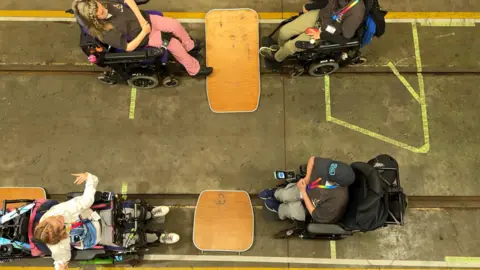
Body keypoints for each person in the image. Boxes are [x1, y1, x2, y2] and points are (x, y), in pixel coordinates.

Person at [33, 172, 179, 270]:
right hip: (98, 238)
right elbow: (61, 259)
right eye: (60, 224)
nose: (60, 218)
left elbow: (86, 200)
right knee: (132, 240)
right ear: (61, 236)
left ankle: (150, 214)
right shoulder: (58, 245)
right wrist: (61, 266)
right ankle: (158, 237)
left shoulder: (59, 212)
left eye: (56, 219)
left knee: (132, 211)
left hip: (96, 216)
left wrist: (89, 178)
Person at [72, 0, 213, 77]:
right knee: (174, 43)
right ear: (95, 19)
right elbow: (129, 47)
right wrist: (144, 31)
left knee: (174, 24)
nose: (105, 10)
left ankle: (189, 46)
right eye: (101, 13)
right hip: (145, 37)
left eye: (100, 6)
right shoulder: (105, 32)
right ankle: (194, 69)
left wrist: (141, 20)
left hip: (146, 20)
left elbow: (128, 1)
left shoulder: (106, 4)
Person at [259, 0, 365, 63]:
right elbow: (326, 2)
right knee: (283, 32)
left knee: (289, 46)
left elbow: (344, 39)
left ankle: (277, 58)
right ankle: (280, 49)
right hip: (319, 16)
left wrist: (321, 34)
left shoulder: (356, 12)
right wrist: (309, 7)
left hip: (325, 32)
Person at [260, 156, 354, 223]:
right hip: (308, 188)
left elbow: (315, 214)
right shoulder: (331, 167)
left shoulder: (336, 201)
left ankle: (279, 209)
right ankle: (276, 193)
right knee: (286, 194)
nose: (323, 171)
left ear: (336, 183)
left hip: (312, 207)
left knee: (291, 209)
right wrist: (307, 178)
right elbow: (312, 160)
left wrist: (304, 193)